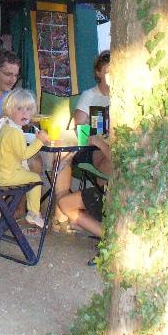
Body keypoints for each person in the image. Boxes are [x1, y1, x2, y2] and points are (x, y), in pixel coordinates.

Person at [52, 50, 110, 229]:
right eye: (108, 72)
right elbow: (80, 126)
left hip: (111, 147)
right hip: (91, 146)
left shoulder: (124, 96)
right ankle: (62, 209)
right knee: (63, 153)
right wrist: (97, 136)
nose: (112, 77)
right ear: (98, 73)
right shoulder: (90, 95)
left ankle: (95, 206)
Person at [0, 89, 50, 228]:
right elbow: (24, 155)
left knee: (22, 169)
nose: (25, 113)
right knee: (35, 178)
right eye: (20, 109)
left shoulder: (2, 124)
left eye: (29, 109)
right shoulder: (16, 133)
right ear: (9, 110)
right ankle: (33, 213)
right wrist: (39, 141)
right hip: (5, 176)